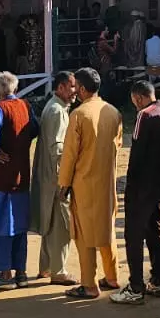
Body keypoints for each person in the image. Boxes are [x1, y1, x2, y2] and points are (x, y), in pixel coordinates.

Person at [58, 68, 124, 300]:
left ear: (83, 89)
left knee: (84, 235)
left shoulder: (79, 115)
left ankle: (89, 284)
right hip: (107, 181)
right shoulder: (113, 112)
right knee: (106, 229)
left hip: (84, 183)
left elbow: (69, 154)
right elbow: (117, 145)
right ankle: (112, 276)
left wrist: (63, 184)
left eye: (76, 87)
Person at [111, 79, 160, 305]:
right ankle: (159, 279)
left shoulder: (143, 116)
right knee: (156, 230)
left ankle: (136, 285)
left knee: (134, 234)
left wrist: (130, 184)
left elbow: (135, 153)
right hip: (159, 180)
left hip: (141, 185)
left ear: (138, 98)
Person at [0, 72, 39, 291]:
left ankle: (5, 273)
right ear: (15, 88)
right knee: (20, 226)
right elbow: (34, 128)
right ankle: (21, 272)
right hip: (22, 173)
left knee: (2, 225)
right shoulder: (25, 106)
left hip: (3, 176)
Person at [31, 71, 78, 287]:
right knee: (61, 224)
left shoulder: (53, 107)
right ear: (60, 87)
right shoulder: (58, 111)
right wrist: (64, 180)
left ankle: (46, 266)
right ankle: (58, 270)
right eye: (71, 86)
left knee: (50, 221)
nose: (74, 91)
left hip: (47, 176)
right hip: (56, 177)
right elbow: (58, 149)